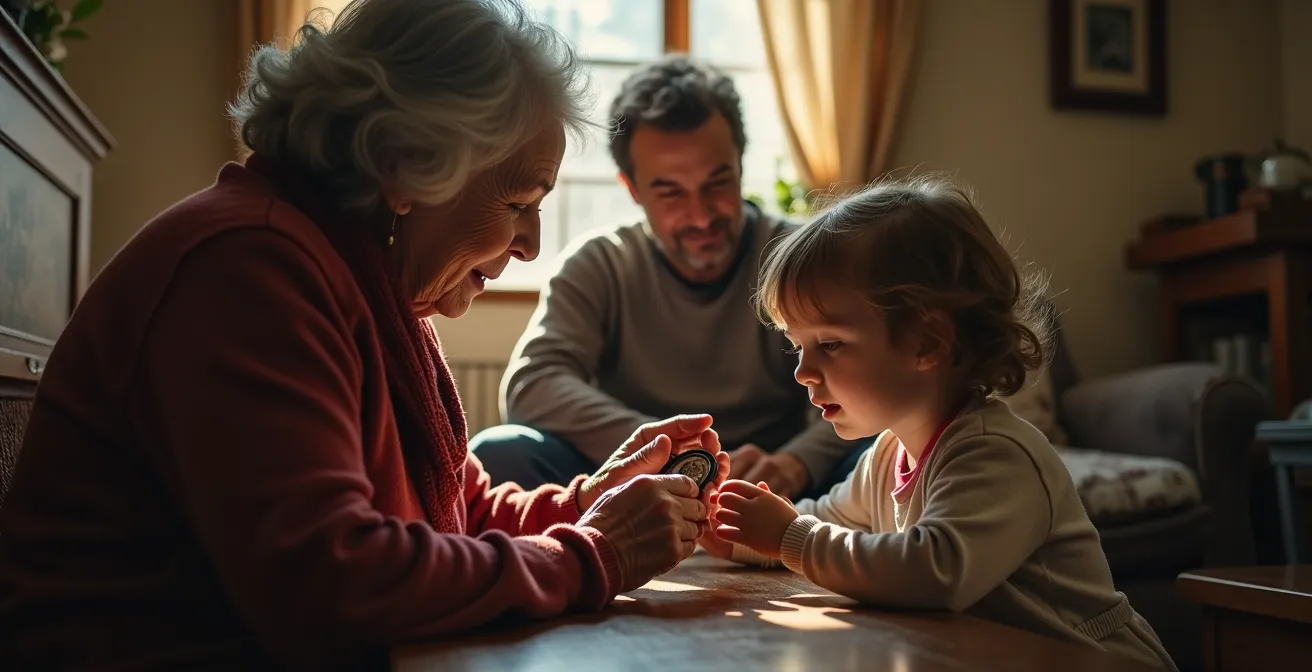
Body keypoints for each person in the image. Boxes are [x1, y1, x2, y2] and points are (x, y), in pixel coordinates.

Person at [0, 1, 729, 669]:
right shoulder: (247, 267)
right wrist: (592, 553)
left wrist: (589, 502)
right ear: (404, 166)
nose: (532, 246)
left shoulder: (368, 282)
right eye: (517, 201)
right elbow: (331, 581)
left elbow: (454, 515)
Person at [704, 176, 1177, 671]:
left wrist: (788, 537)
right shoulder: (887, 456)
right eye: (797, 346)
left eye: (831, 344)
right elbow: (827, 522)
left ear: (928, 342)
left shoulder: (995, 454)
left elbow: (934, 571)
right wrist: (739, 536)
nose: (802, 371)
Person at [472, 54, 866, 501]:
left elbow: (871, 375)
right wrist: (667, 450)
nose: (700, 216)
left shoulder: (802, 258)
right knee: (501, 453)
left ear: (739, 165)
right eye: (670, 192)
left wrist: (798, 462)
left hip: (780, 488)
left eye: (717, 182)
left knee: (886, 448)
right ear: (633, 189)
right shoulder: (601, 264)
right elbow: (533, 385)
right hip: (640, 482)